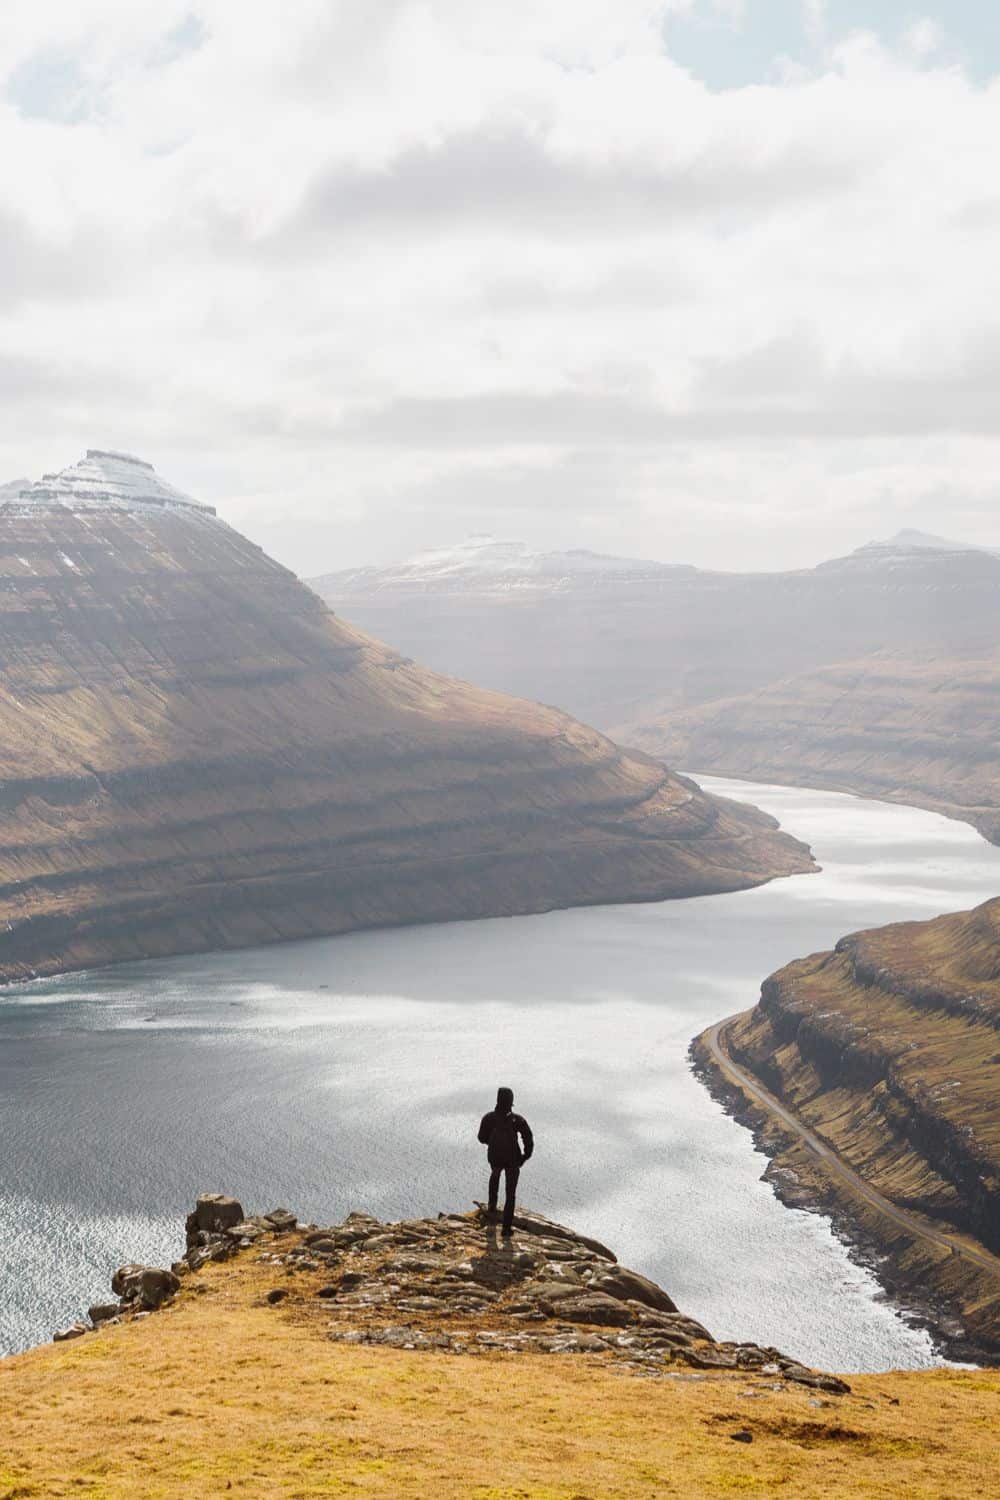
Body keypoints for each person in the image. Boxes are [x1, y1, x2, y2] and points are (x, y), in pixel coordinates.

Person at [477, 1086, 533, 1237]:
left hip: (495, 1157)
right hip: (513, 1159)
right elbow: (528, 1139)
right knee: (510, 1194)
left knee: (494, 1176)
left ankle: (492, 1208)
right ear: (511, 1102)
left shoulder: (489, 1118)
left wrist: (493, 1144)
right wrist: (524, 1157)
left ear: (497, 1100)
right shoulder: (517, 1120)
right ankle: (506, 1229)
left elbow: (481, 1137)